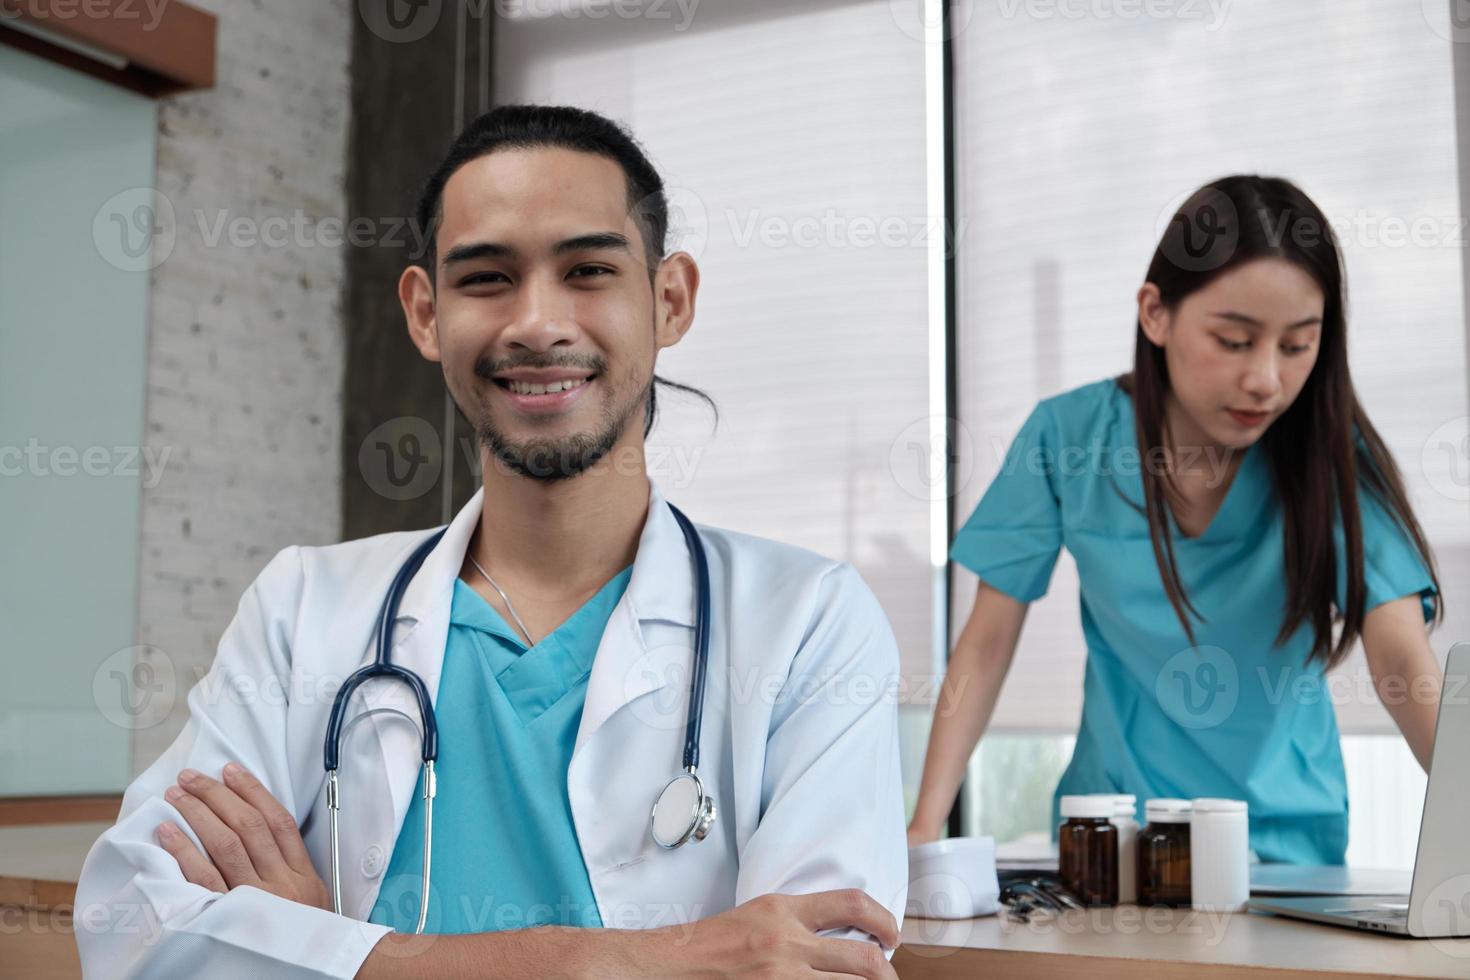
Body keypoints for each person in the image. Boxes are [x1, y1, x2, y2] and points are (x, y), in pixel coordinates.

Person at [75, 104, 907, 979]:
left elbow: (818, 969)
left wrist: (329, 953)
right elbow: (133, 927)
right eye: (486, 278)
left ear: (669, 300)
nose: (538, 324)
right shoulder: (303, 609)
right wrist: (657, 959)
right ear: (426, 313)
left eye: (588, 269)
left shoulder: (808, 621)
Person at [907, 175, 1445, 866]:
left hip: (1287, 852)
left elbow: (1401, 658)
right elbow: (984, 646)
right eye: (1234, 340)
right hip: (1114, 848)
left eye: (1296, 345)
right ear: (1155, 314)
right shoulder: (1067, 438)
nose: (1266, 381)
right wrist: (924, 828)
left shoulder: (1332, 455)